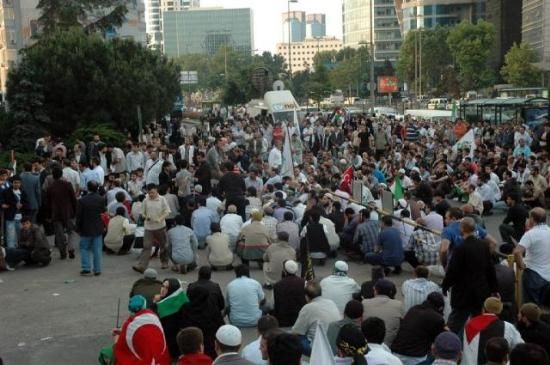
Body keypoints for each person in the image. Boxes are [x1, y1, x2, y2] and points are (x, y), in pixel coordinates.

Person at [442, 217, 499, 335]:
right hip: (481, 291)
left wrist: (445, 286)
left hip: (463, 292)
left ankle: (448, 346)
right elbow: (490, 269)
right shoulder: (484, 245)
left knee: (455, 323)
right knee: (477, 322)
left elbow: (453, 271)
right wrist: (494, 288)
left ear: (462, 229)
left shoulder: (460, 248)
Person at [108, 295, 171, 365]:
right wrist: (122, 332)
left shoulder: (129, 325)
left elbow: (121, 350)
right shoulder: (154, 318)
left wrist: (117, 339)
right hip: (161, 361)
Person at [462, 297, 524, 365]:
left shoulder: (469, 325)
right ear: (500, 311)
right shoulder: (508, 327)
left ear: (483, 309)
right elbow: (520, 347)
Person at [391, 292, 446, 365]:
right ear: (441, 307)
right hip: (416, 357)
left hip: (395, 353)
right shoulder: (437, 318)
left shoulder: (413, 309)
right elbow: (438, 339)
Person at [292, 280, 341, 356]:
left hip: (318, 348)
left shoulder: (308, 308)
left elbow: (296, 332)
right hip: (334, 344)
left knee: (295, 338)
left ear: (306, 296)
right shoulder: (331, 302)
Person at [513, 207, 550, 305]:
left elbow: (517, 252)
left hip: (534, 275)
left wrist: (521, 265)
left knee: (531, 306)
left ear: (532, 219)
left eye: (529, 217)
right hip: (548, 274)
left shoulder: (531, 234)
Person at [133, 183, 171, 273]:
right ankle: (142, 266)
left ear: (156, 191)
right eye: (149, 193)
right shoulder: (146, 200)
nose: (151, 194)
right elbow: (142, 213)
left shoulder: (162, 199)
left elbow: (167, 211)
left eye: (152, 193)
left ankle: (164, 262)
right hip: (148, 227)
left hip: (160, 226)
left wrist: (160, 218)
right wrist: (146, 217)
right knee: (146, 246)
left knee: (163, 245)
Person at [181, 285, 225, 360]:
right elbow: (221, 324)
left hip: (190, 344)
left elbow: (181, 324)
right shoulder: (212, 306)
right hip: (210, 345)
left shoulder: (186, 308)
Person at [152, 278, 189, 360]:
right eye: (163, 286)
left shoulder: (183, 303)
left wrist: (155, 303)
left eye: (166, 288)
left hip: (174, 341)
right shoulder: (163, 301)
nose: (162, 289)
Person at [47, 166, 77, 259]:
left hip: (56, 213)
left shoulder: (50, 187)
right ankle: (71, 248)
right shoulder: (68, 185)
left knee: (59, 234)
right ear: (61, 174)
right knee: (70, 231)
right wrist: (75, 211)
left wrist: (49, 215)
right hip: (68, 212)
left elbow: (48, 203)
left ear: (53, 176)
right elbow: (73, 199)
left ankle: (63, 252)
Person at [75, 180, 105, 276]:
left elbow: (79, 216)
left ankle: (86, 267)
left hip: (85, 227)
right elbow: (102, 212)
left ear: (88, 188)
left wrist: (78, 228)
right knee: (97, 249)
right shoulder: (101, 199)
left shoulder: (82, 200)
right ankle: (97, 269)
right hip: (97, 227)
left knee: (84, 248)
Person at [362, 279, 403, 346]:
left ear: (376, 290)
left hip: (368, 344)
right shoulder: (398, 305)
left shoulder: (364, 303)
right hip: (389, 345)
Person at [272, 260, 306, 327]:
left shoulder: (278, 285)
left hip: (283, 320)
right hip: (300, 319)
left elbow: (276, 304)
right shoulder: (304, 283)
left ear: (284, 270)